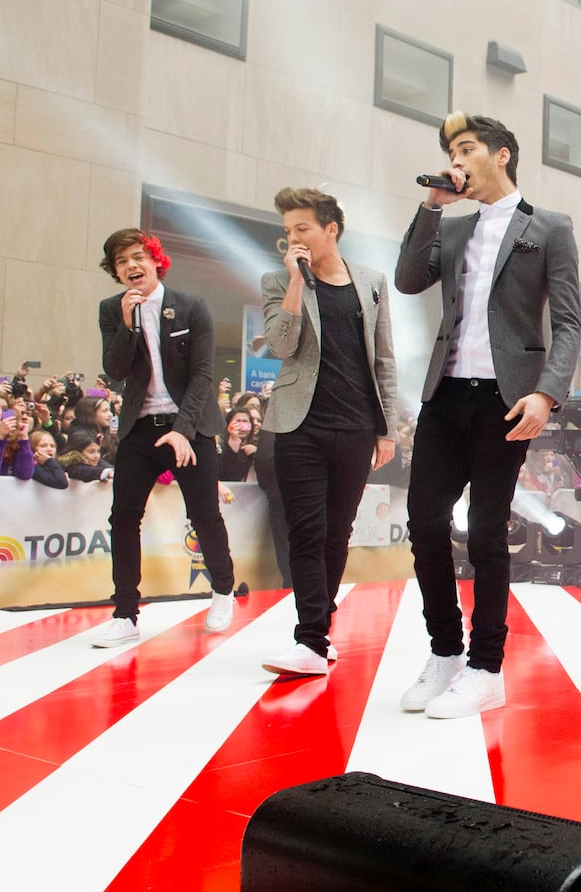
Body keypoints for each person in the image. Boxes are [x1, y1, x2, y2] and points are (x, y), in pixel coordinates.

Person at [394, 110, 580, 718]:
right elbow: (405, 280)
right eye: (451, 151)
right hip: (444, 394)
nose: (457, 159)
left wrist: (546, 393)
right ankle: (445, 651)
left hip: (506, 400)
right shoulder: (451, 227)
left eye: (467, 148)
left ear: (501, 154)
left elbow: (570, 323)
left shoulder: (549, 227)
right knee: (423, 522)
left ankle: (485, 666)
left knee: (486, 530)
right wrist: (432, 205)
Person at [257, 186, 400, 678]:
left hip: (358, 426)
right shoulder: (278, 280)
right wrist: (297, 281)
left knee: (337, 535)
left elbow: (383, 359)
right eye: (287, 231)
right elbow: (279, 343)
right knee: (307, 531)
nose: (292, 238)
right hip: (299, 425)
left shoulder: (372, 281)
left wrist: (388, 430)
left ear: (330, 229)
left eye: (302, 228)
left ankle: (319, 625)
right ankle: (311, 641)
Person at [88, 229, 237, 648]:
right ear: (115, 271)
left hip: (189, 425)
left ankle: (223, 588)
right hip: (139, 427)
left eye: (138, 257)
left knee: (204, 514)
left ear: (155, 260)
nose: (132, 267)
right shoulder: (111, 310)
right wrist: (127, 324)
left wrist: (182, 431)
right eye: (122, 263)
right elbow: (115, 371)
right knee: (123, 517)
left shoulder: (191, 307)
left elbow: (203, 376)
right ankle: (125, 612)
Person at [217, 408, 257, 482]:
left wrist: (257, 453)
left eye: (245, 422)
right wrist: (234, 440)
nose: (241, 426)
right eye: (237, 422)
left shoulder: (257, 445)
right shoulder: (220, 445)